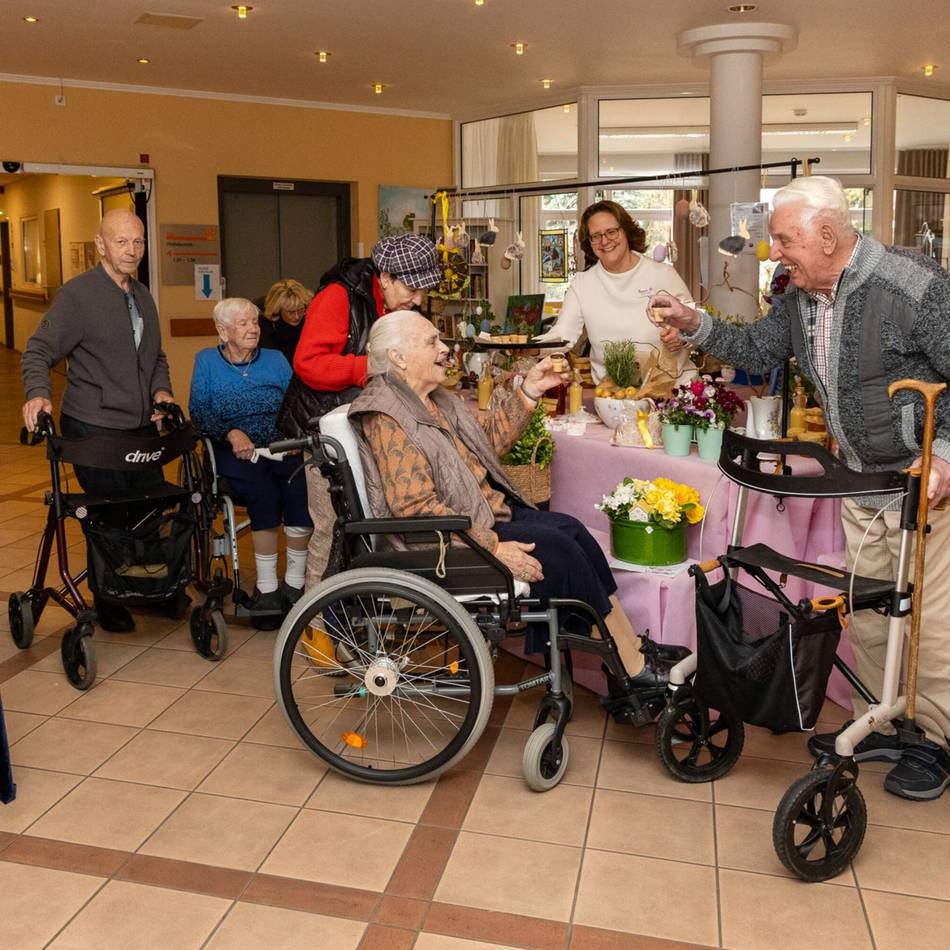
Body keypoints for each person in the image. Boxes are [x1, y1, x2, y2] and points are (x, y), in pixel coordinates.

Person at [651, 175, 950, 801]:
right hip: (860, 482)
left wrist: (946, 454)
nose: (776, 253)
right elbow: (757, 347)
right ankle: (881, 719)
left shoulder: (912, 284)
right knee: (871, 613)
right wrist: (695, 322)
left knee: (932, 622)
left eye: (785, 240)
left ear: (827, 234)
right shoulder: (798, 294)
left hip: (929, 483)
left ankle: (934, 741)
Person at [348, 310, 685, 695]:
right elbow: (414, 509)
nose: (445, 349)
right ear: (399, 358)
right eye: (432, 342)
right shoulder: (388, 415)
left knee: (572, 530)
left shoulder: (433, 400)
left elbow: (485, 444)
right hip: (445, 542)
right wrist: (492, 547)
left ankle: (627, 652)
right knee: (559, 550)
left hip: (479, 516)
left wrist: (530, 390)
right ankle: (630, 667)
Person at [21, 208, 173, 632]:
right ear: (100, 245)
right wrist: (37, 394)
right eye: (121, 242)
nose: (132, 250)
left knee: (150, 508)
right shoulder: (78, 296)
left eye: (138, 242)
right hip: (93, 425)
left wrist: (161, 391)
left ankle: (148, 589)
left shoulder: (142, 295)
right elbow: (38, 351)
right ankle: (109, 599)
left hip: (140, 427)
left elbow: (156, 357)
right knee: (109, 514)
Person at [279, 233, 442, 588]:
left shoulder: (396, 305)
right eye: (412, 288)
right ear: (385, 277)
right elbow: (308, 363)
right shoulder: (338, 296)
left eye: (423, 290)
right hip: (326, 430)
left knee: (376, 525)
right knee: (332, 527)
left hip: (372, 425)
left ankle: (365, 609)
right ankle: (316, 617)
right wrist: (368, 367)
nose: (418, 299)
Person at [189, 298, 313, 628]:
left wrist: (294, 436)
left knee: (299, 487)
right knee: (263, 492)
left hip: (280, 445)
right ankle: (268, 588)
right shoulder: (206, 361)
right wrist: (231, 433)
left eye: (255, 322)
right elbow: (199, 411)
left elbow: (296, 401)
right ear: (222, 331)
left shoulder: (275, 360)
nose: (253, 329)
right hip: (234, 450)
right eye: (243, 323)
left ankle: (295, 584)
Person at [534, 199, 694, 384]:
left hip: (673, 389)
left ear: (626, 231)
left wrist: (680, 336)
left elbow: (694, 320)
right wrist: (530, 348)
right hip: (613, 393)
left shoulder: (662, 273)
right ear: (590, 242)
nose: (604, 241)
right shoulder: (582, 284)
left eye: (611, 232)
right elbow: (562, 335)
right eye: (596, 236)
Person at [258, 278, 314, 364]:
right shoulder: (265, 325)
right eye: (290, 312)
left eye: (301, 310)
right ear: (278, 310)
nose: (297, 316)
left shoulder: (310, 316)